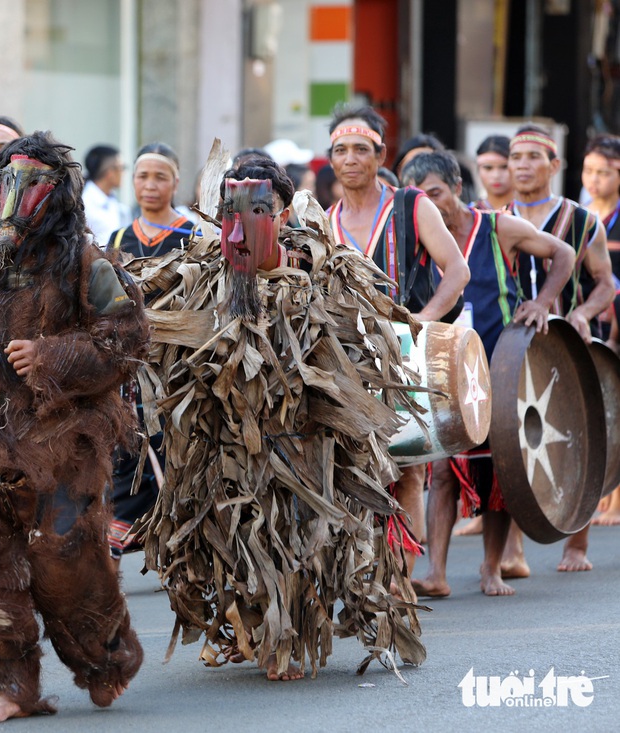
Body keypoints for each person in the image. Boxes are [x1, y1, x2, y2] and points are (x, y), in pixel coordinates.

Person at [131, 154, 426, 681]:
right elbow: (155, 332)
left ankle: (290, 637)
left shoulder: (324, 267)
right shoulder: (200, 271)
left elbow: (361, 349)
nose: (242, 221)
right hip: (231, 437)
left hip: (305, 437)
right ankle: (256, 628)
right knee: (244, 536)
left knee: (299, 537)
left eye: (259, 208)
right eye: (231, 209)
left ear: (286, 212)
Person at [0, 131, 147, 724]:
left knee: (65, 561)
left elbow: (125, 339)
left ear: (59, 193)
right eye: (10, 183)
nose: (20, 198)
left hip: (64, 444)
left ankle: (105, 661)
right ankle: (12, 686)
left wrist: (51, 358)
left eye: (36, 183)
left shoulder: (87, 265)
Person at [400, 151, 574, 597]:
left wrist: (541, 303)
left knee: (498, 473)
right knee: (442, 472)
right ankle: (435, 573)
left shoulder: (497, 227)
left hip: (501, 367)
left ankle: (492, 567)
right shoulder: (416, 239)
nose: (430, 204)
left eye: (436, 192)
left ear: (458, 187)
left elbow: (564, 253)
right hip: (447, 374)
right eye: (420, 197)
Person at [326, 104, 470, 579]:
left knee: (406, 464)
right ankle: (369, 573)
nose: (351, 158)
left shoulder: (411, 204)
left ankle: (401, 580)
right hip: (348, 360)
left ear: (380, 153)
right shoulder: (325, 221)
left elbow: (458, 270)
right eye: (341, 149)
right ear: (330, 159)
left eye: (361, 149)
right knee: (356, 468)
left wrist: (422, 322)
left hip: (406, 356)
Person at [502, 124, 615, 575]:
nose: (523, 165)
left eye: (533, 157)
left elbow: (606, 282)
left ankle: (576, 546)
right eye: (516, 157)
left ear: (554, 165)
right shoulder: (498, 216)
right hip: (515, 347)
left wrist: (584, 312)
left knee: (582, 439)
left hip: (568, 342)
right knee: (510, 445)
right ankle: (512, 549)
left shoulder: (584, 220)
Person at [104, 142, 193, 556]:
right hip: (132, 369)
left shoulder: (193, 236)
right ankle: (126, 531)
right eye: (142, 176)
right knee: (130, 447)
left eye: (160, 176)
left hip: (179, 366)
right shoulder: (119, 238)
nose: (150, 185)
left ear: (176, 182)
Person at [580, 134, 620, 526]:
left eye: (604, 173)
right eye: (589, 170)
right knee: (602, 405)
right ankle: (605, 490)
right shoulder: (580, 215)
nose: (595, 179)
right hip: (597, 321)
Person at [82, 144, 129, 246]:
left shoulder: (113, 201)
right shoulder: (84, 204)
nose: (124, 173)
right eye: (122, 168)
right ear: (110, 172)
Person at [474, 135, 513, 210]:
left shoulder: (528, 212)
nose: (496, 175)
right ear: (478, 170)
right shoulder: (468, 215)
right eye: (488, 168)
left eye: (504, 167)